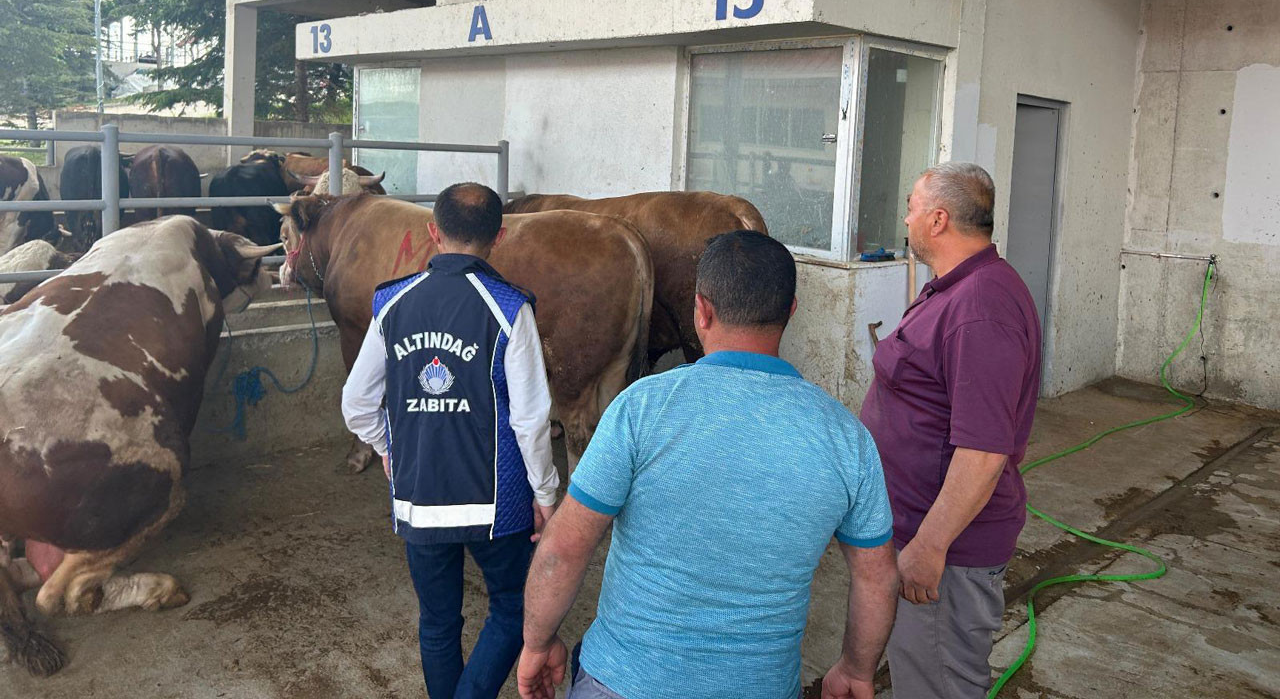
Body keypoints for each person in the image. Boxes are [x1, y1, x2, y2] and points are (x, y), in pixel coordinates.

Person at [515, 230, 900, 699]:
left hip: (623, 681)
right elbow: (877, 576)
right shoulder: (846, 437)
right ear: (791, 311)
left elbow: (564, 548)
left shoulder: (642, 407)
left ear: (701, 310)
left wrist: (537, 642)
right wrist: (857, 669)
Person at [341, 182, 560, 699]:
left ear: (433, 232)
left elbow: (356, 403)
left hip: (420, 496)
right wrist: (546, 494)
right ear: (498, 237)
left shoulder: (392, 302)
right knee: (513, 607)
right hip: (496, 501)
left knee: (438, 621)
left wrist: (388, 449)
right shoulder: (510, 307)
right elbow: (530, 420)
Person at [860, 162, 1042, 698]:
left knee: (938, 684)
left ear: (938, 220)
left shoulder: (980, 309)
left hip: (946, 555)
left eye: (912, 207)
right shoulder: (958, 288)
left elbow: (984, 452)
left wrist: (929, 545)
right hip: (919, 532)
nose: (906, 219)